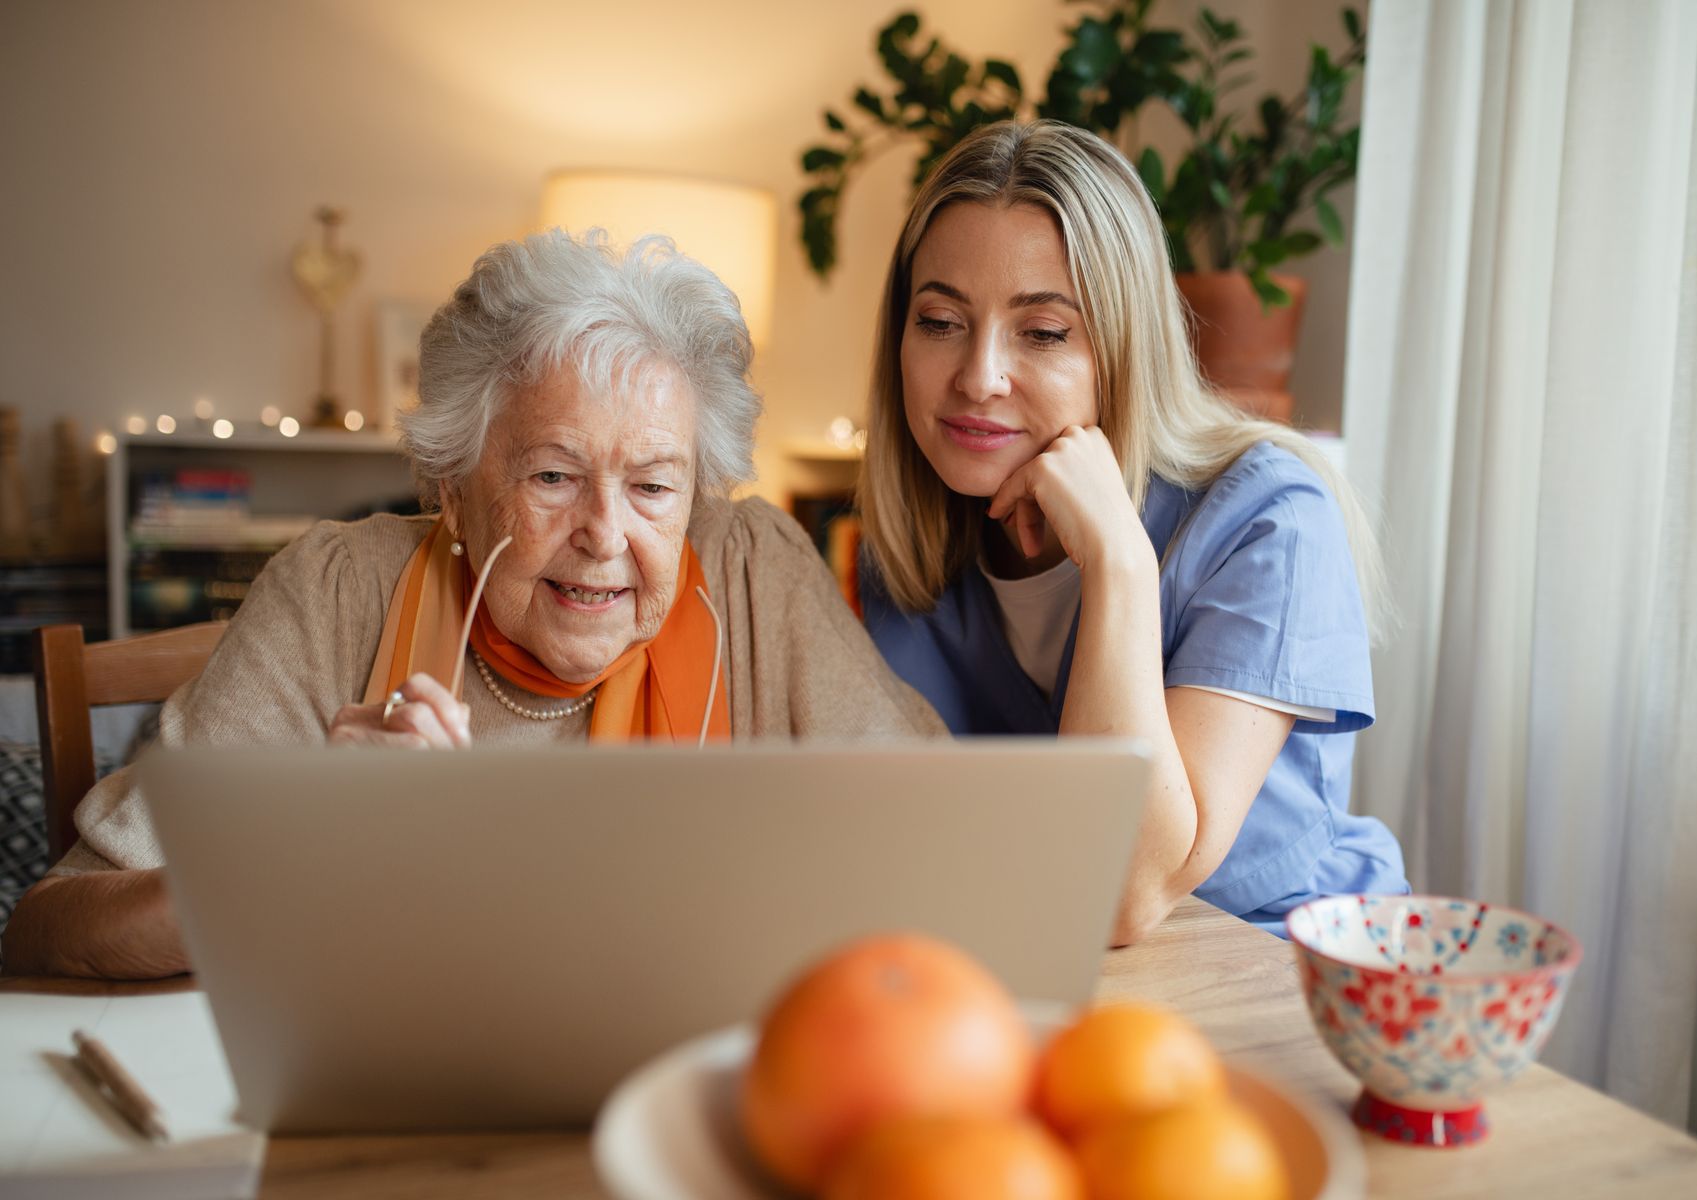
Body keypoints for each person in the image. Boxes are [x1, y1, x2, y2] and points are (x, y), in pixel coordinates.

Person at [5, 229, 942, 979]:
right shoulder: (335, 597)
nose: (606, 535)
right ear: (452, 489)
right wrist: (295, 850)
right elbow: (50, 927)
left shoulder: (754, 575)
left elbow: (950, 850)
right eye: (553, 474)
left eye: (655, 487)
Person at [857, 120, 1408, 945]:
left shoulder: (1271, 519)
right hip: (1038, 977)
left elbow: (1118, 893)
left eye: (1043, 333)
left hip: (1286, 979)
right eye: (940, 321)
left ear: (1124, 347)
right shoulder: (907, 544)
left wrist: (1120, 560)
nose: (978, 376)